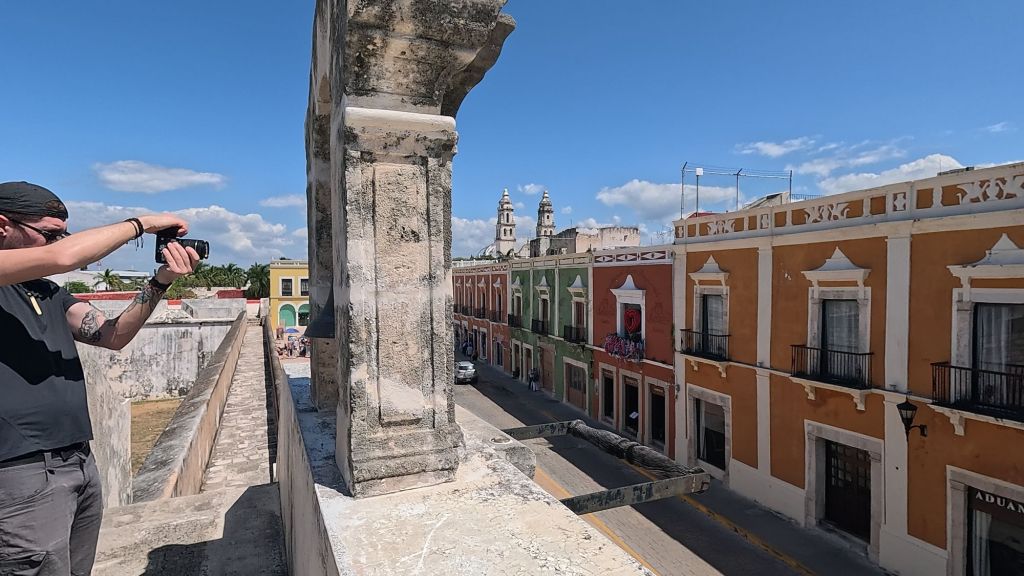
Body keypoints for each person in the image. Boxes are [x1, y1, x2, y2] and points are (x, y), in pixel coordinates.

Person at [0, 181, 200, 576]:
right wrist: (142, 223)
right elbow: (65, 257)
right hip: (19, 472)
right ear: (3, 226)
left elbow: (112, 334)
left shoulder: (44, 292)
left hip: (77, 460)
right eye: (49, 233)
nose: (58, 242)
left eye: (63, 234)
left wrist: (160, 281)